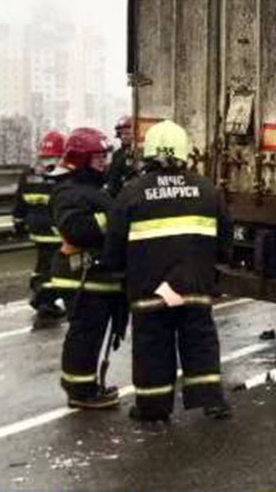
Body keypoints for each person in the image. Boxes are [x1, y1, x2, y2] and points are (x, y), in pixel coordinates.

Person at [104, 120, 232, 422]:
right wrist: (212, 268)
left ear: (149, 154)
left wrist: (117, 271)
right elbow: (225, 238)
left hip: (150, 290)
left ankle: (153, 408)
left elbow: (114, 243)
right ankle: (211, 401)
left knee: (152, 346)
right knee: (199, 341)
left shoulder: (131, 192)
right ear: (184, 152)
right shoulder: (207, 190)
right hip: (194, 287)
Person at [48, 127, 127, 409]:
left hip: (95, 277)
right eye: (98, 157)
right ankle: (80, 392)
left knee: (92, 334)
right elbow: (76, 229)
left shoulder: (92, 190)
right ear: (81, 159)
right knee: (85, 334)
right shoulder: (69, 191)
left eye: (105, 156)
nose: (104, 162)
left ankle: (87, 385)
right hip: (80, 275)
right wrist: (114, 220)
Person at [13, 130, 67, 327]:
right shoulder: (60, 174)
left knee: (42, 265)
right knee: (60, 268)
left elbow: (20, 201)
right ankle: (45, 300)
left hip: (36, 229)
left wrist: (18, 221)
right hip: (56, 231)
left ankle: (41, 294)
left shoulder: (29, 174)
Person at [105, 115, 137, 197]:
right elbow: (112, 178)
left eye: (127, 133)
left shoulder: (138, 154)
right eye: (121, 133)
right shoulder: (117, 154)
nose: (123, 137)